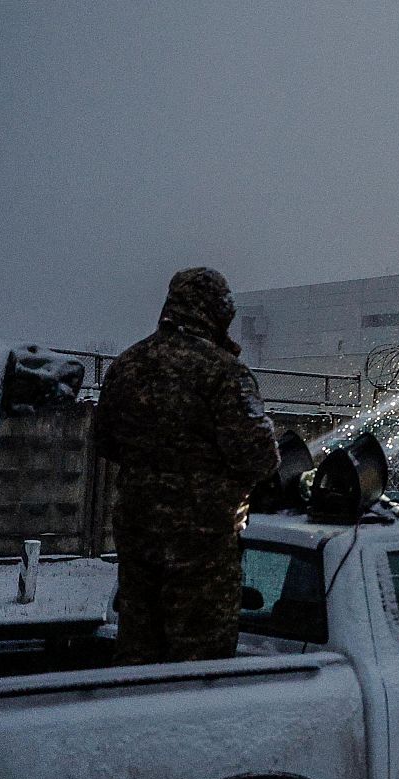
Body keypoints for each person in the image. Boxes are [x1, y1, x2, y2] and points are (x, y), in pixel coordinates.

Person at [95, 267, 279, 664]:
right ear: (216, 312)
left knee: (139, 646)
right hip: (202, 539)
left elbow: (104, 442)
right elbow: (258, 456)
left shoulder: (126, 365)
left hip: (136, 531)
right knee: (200, 657)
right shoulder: (224, 371)